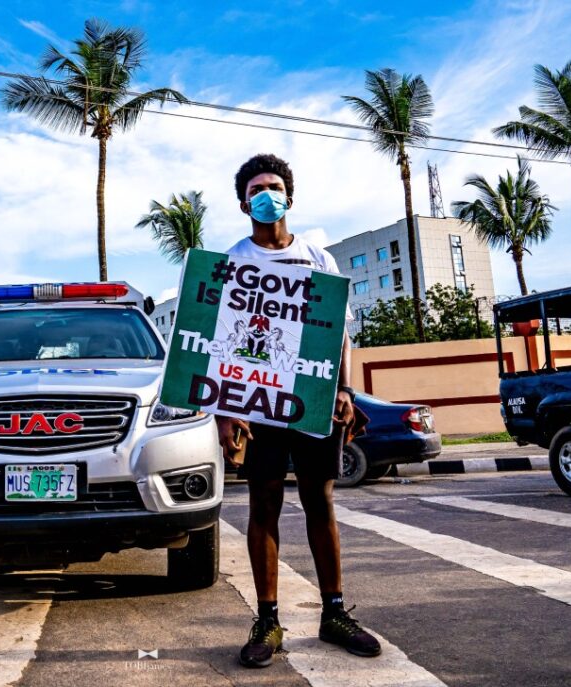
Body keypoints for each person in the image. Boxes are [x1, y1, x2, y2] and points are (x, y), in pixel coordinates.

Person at [217, 154, 381, 668]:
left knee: (320, 501)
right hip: (259, 403)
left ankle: (334, 613)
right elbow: (221, 342)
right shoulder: (233, 261)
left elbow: (341, 331)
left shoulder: (318, 258)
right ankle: (267, 621)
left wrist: (346, 390)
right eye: (257, 188)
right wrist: (227, 410)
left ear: (290, 195)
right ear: (243, 202)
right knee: (263, 505)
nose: (268, 193)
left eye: (275, 185)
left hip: (313, 398)